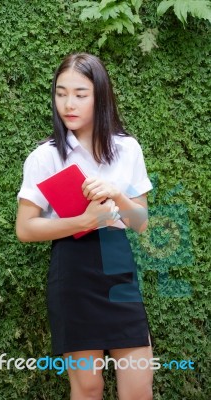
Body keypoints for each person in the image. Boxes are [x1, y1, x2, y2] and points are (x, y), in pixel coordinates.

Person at [16, 53, 154, 400]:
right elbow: (25, 228)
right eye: (61, 93)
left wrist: (117, 196)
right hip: (73, 268)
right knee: (88, 386)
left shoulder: (128, 149)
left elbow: (141, 223)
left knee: (138, 385)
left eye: (80, 93)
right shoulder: (45, 156)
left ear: (100, 96)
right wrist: (84, 220)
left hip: (118, 263)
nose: (68, 104)